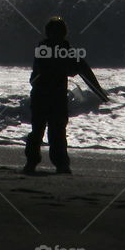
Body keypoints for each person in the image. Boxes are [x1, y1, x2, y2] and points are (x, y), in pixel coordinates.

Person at [23, 16, 106, 175]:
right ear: (48, 34)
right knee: (38, 130)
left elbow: (82, 70)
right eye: (53, 33)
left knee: (58, 131)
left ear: (63, 34)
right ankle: (32, 162)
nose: (56, 36)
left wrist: (99, 92)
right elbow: (45, 70)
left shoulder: (68, 51)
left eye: (59, 33)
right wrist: (68, 67)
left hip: (58, 97)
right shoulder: (43, 50)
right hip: (41, 95)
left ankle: (61, 164)